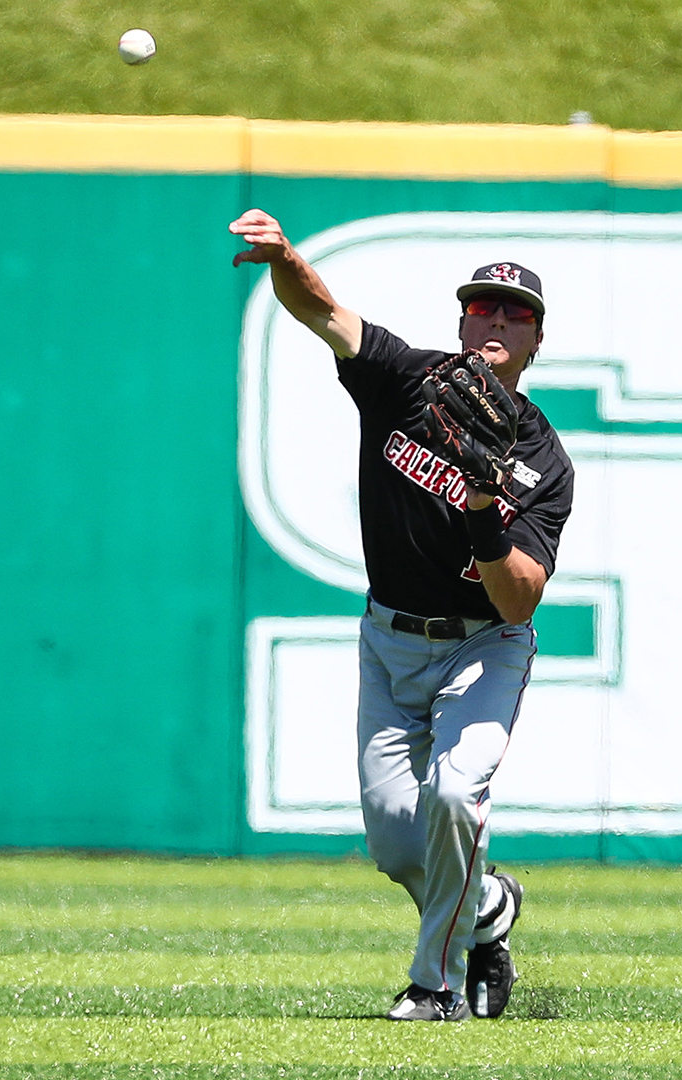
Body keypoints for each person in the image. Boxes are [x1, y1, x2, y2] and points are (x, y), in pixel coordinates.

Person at [230, 208, 575, 1022]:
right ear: (461, 322)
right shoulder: (406, 377)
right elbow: (320, 309)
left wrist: (485, 504)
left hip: (484, 648)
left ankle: (436, 986)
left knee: (454, 796)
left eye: (516, 313)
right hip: (388, 640)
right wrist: (284, 256)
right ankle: (487, 908)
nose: (496, 320)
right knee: (395, 839)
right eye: (483, 306)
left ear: (536, 340)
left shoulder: (543, 463)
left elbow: (518, 596)